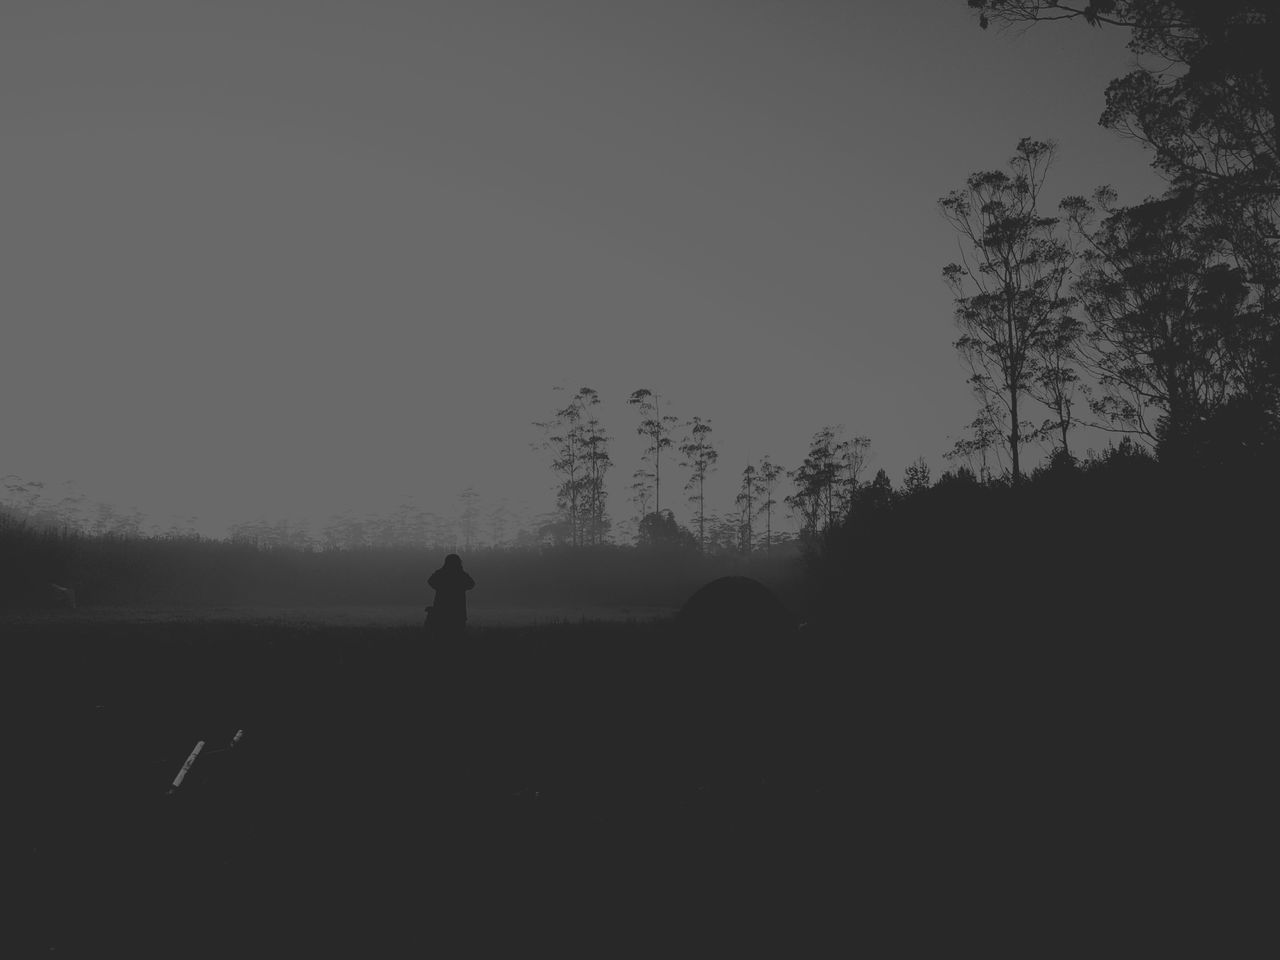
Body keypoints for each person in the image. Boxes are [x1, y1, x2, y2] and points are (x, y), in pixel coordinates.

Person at [426, 553, 475, 639]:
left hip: (441, 609)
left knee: (440, 635)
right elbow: (471, 584)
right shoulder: (461, 575)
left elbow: (430, 581)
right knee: (457, 635)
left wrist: (440, 587)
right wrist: (460, 587)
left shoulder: (441, 573)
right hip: (458, 610)